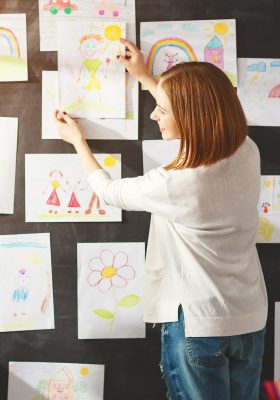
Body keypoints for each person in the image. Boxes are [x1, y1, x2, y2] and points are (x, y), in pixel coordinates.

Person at [54, 38, 268, 400]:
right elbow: (199, 111)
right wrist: (145, 78)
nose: (154, 116)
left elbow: (109, 191)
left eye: (162, 110)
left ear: (187, 116)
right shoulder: (246, 149)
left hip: (199, 325)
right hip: (249, 318)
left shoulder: (176, 183)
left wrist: (78, 142)